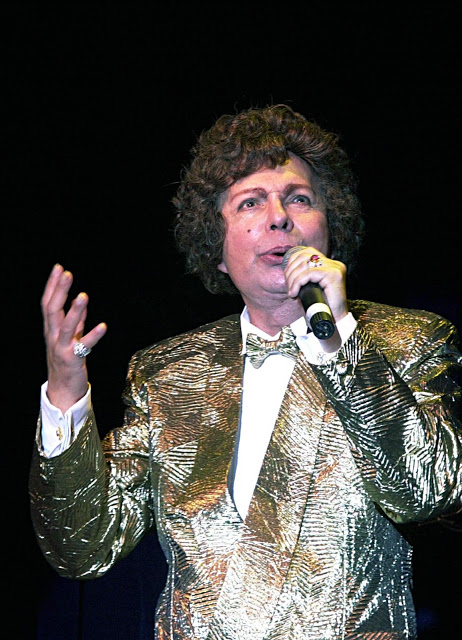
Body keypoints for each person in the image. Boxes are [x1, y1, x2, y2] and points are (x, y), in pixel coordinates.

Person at [30, 103, 461, 640]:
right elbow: (83, 548)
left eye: (299, 199)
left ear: (330, 225)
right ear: (216, 247)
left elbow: (426, 492)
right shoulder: (166, 375)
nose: (279, 217)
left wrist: (340, 340)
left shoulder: (407, 341)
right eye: (250, 202)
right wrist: (65, 389)